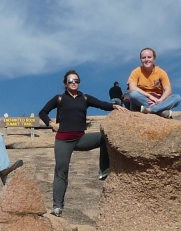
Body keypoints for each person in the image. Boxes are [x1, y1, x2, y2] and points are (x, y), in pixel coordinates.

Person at [38, 70, 128, 217]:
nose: (74, 83)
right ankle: (57, 207)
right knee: (61, 172)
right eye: (70, 81)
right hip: (63, 140)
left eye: (76, 81)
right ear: (65, 83)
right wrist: (51, 124)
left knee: (105, 137)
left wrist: (114, 106)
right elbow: (42, 112)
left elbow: (101, 104)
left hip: (80, 139)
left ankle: (103, 170)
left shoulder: (84, 98)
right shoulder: (59, 98)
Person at [127, 47, 181, 119]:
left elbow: (168, 90)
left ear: (154, 59)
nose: (146, 60)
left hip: (157, 100)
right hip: (141, 101)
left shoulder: (161, 72)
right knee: (133, 94)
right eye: (144, 58)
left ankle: (151, 110)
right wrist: (149, 96)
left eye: (149, 57)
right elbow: (132, 88)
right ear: (141, 60)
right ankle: (160, 111)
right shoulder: (136, 72)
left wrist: (160, 100)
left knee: (177, 97)